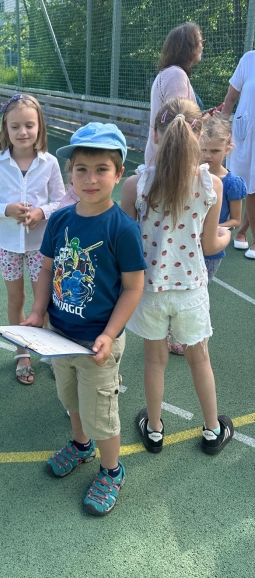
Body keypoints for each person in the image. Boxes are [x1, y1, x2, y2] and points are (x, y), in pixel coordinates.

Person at [22, 123, 146, 516]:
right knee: (70, 399)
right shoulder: (60, 220)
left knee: (102, 414)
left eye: (101, 169)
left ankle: (111, 470)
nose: (91, 179)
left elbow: (133, 288)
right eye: (82, 170)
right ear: (70, 174)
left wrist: (110, 333)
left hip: (97, 344)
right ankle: (80, 446)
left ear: (119, 173)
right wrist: (38, 311)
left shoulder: (122, 228)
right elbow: (46, 270)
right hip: (59, 336)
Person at [121, 98, 234, 457]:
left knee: (155, 360)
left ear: (155, 134)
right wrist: (228, 234)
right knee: (200, 358)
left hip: (150, 289)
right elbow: (210, 244)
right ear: (198, 135)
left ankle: (154, 430)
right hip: (190, 288)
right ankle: (213, 429)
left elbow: (125, 244)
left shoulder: (135, 185)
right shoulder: (211, 185)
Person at [0, 94, 65, 384]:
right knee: (17, 299)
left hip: (42, 245)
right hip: (7, 245)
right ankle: (22, 351)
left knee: (45, 299)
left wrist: (42, 212)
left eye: (29, 125)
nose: (22, 132)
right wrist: (7, 209)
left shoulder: (50, 163)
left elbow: (62, 201)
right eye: (15, 126)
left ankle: (48, 350)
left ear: (40, 126)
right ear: (6, 128)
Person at [145, 23, 205, 166]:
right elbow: (176, 126)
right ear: (189, 46)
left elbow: (179, 119)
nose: (202, 46)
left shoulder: (171, 73)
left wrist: (203, 118)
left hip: (166, 161)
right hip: (171, 163)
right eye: (200, 41)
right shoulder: (176, 75)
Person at [200, 116, 247, 279]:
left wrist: (214, 227)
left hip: (211, 250)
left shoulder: (232, 183)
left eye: (215, 151)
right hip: (185, 244)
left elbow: (235, 220)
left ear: (227, 149)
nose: (207, 155)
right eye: (203, 150)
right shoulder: (189, 175)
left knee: (203, 289)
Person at [220, 50, 255, 258]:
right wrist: (222, 129)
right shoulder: (249, 59)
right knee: (249, 186)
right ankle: (244, 233)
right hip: (246, 133)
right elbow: (231, 98)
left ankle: (243, 231)